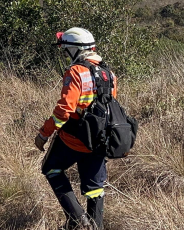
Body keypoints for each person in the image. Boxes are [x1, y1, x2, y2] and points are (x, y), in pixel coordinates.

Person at [35, 27, 117, 230]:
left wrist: (43, 134)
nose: (65, 54)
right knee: (95, 188)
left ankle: (78, 219)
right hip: (100, 140)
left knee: (51, 169)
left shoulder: (76, 72)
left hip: (74, 138)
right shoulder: (109, 74)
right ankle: (94, 227)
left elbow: (64, 110)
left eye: (65, 50)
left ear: (74, 50)